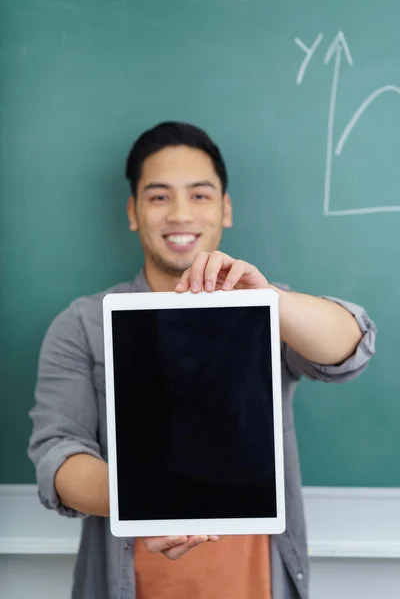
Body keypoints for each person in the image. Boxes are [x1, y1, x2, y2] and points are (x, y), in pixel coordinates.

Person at [28, 122, 377, 599]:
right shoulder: (82, 325)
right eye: (158, 197)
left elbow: (351, 348)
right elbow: (57, 456)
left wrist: (271, 301)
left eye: (199, 195)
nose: (179, 214)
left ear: (224, 208)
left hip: (258, 585)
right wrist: (144, 498)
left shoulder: (267, 308)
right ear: (133, 211)